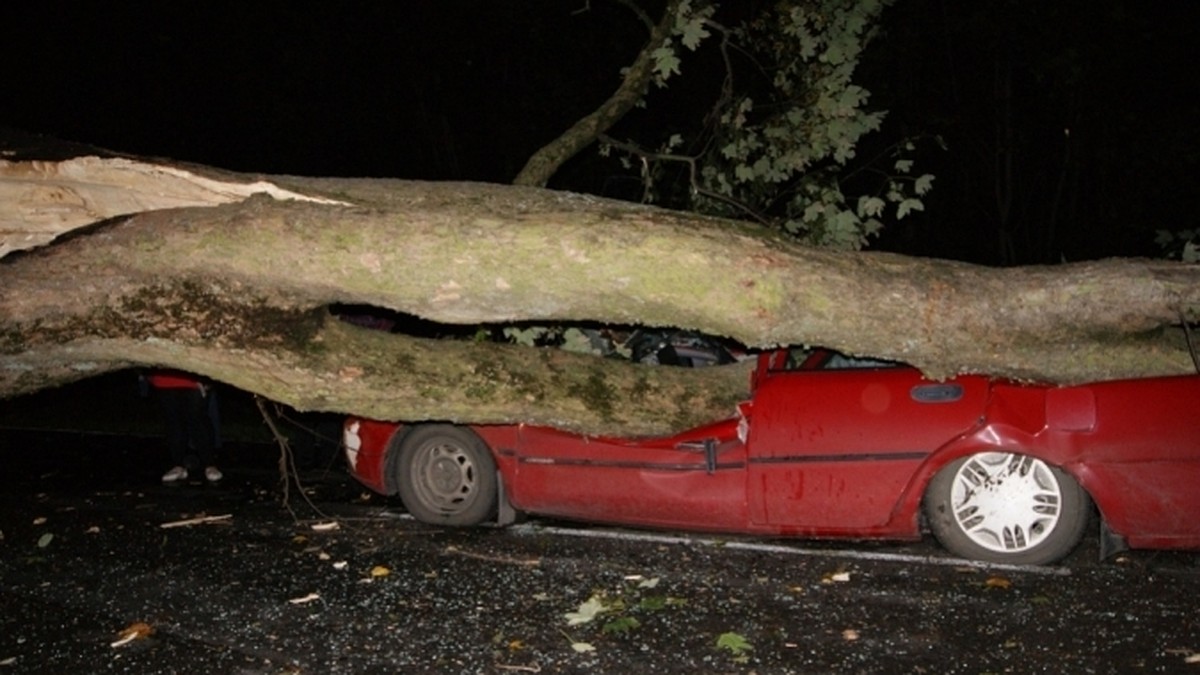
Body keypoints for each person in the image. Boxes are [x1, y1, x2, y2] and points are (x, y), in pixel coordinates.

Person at [145, 370, 223, 484]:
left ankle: (209, 464)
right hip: (164, 377)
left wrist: (206, 378)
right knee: (173, 421)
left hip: (193, 376)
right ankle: (178, 465)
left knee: (198, 419)